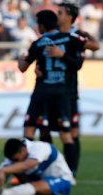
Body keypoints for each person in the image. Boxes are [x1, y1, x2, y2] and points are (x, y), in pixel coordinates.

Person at [18, 10, 87, 175]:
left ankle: (29, 170)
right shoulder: (72, 39)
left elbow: (22, 67)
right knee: (65, 134)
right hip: (62, 92)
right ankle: (69, 173)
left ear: (41, 25)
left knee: (31, 130)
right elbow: (79, 62)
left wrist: (21, 59)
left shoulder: (38, 43)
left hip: (42, 92)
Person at [38, 3, 100, 177]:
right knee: (44, 129)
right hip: (48, 91)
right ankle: (47, 168)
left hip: (69, 92)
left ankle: (71, 171)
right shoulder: (51, 35)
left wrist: (64, 53)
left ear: (70, 17)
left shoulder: (74, 37)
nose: (57, 15)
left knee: (70, 133)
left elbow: (94, 47)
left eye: (60, 13)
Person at [0, 138, 76, 195]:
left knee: (14, 169)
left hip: (61, 179)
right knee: (8, 168)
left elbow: (29, 164)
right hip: (37, 178)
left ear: (23, 150)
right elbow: (0, 171)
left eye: (16, 159)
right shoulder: (17, 155)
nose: (14, 161)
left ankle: (2, 194)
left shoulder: (40, 147)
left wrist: (4, 170)